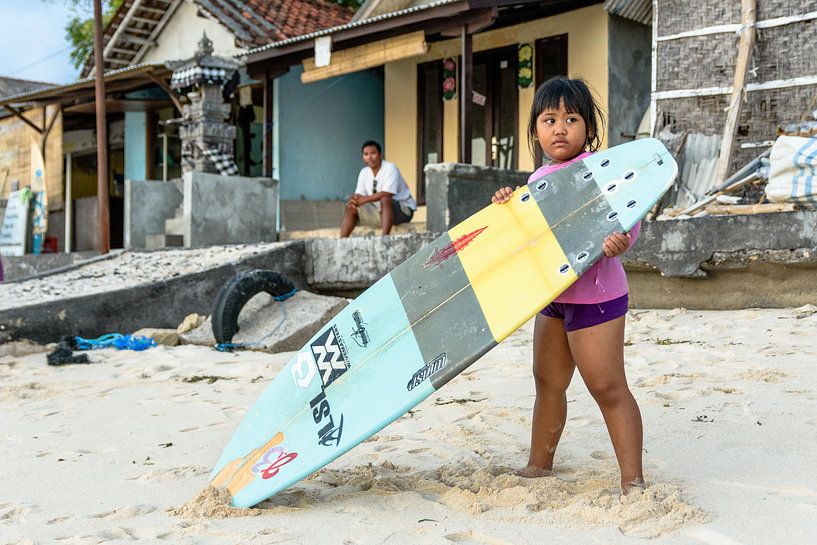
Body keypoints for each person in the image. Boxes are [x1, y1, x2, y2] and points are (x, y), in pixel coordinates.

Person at [492, 76, 645, 495]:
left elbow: (630, 211)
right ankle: (539, 466)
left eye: (571, 118)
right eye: (549, 119)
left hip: (596, 298)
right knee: (547, 382)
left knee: (607, 387)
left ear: (589, 130)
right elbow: (527, 235)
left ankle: (633, 480)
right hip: (553, 298)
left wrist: (621, 240)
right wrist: (508, 204)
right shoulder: (540, 178)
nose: (560, 128)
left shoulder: (600, 169)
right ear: (536, 131)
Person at [340, 141, 416, 237]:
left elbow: (388, 193)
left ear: (380, 154)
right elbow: (360, 194)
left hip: (403, 211)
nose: (369, 157)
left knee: (385, 199)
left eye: (373, 153)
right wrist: (355, 199)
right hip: (379, 212)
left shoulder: (390, 168)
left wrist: (364, 199)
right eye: (366, 154)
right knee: (351, 207)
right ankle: (341, 241)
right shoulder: (364, 172)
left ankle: (384, 239)